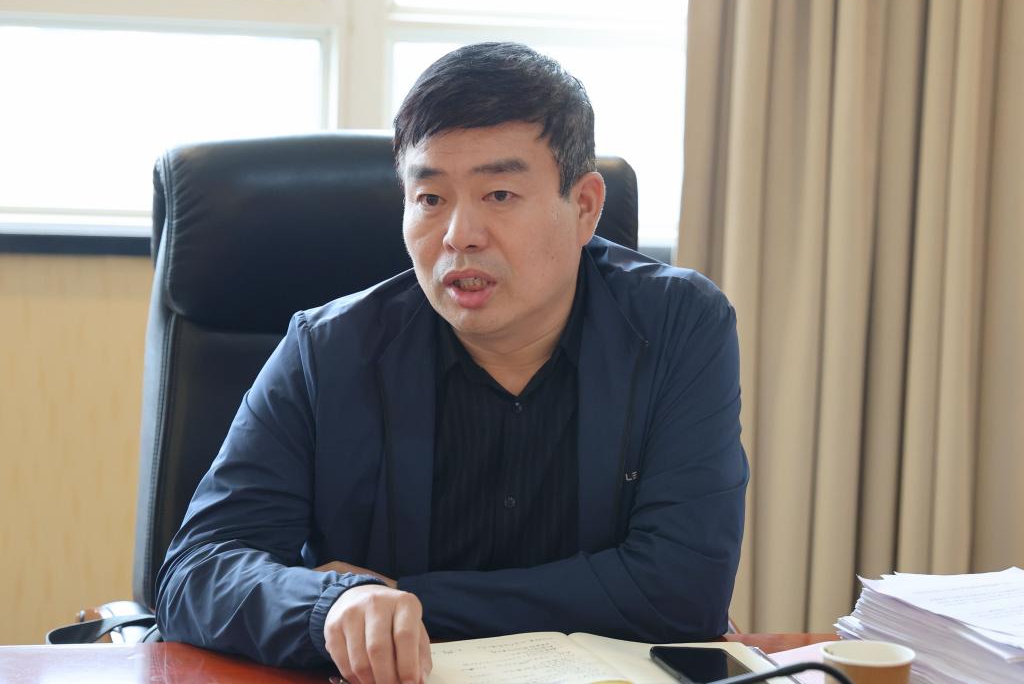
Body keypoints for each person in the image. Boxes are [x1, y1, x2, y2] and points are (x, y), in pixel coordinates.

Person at [155, 42, 748, 684]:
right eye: (430, 198)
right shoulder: (328, 350)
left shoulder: (677, 326)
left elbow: (683, 590)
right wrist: (336, 607)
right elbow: (196, 574)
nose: (459, 235)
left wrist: (401, 599)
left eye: (499, 194)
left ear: (583, 206)